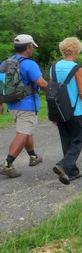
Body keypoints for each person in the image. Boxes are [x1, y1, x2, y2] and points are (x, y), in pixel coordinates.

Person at [0, 34, 48, 178]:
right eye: (32, 46)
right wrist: (55, 92)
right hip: (27, 105)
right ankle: (7, 164)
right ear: (28, 47)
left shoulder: (6, 62)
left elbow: (1, 85)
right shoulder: (29, 64)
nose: (32, 49)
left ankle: (33, 157)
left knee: (26, 131)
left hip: (12, 104)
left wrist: (0, 103)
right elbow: (42, 84)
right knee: (22, 133)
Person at [51, 37, 82, 185]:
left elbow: (52, 91)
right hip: (74, 111)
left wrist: (53, 113)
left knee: (66, 140)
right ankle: (63, 165)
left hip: (60, 111)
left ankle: (72, 171)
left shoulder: (53, 68)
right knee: (79, 139)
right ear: (76, 51)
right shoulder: (77, 68)